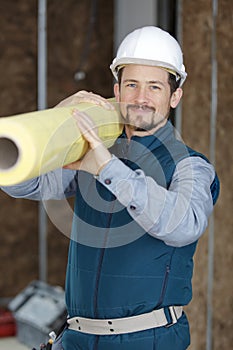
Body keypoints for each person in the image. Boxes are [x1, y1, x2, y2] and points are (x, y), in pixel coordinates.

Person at [1, 26, 219, 350]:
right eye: (131, 84)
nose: (141, 97)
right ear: (117, 90)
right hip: (77, 337)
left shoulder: (190, 166)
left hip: (147, 340)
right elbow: (29, 183)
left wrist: (106, 167)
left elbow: (183, 223)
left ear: (175, 96)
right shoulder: (91, 149)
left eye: (154, 87)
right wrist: (57, 122)